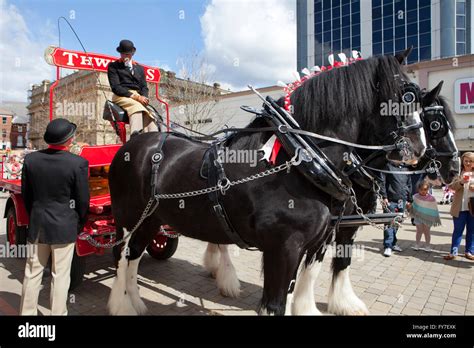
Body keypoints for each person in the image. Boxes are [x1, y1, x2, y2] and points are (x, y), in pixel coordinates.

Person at [20, 118, 90, 315]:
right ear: (69, 140)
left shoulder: (31, 160)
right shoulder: (78, 164)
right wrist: (79, 222)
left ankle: (27, 316)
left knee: (32, 273)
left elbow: (27, 196)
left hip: (38, 225)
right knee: (60, 276)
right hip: (64, 226)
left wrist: (35, 216)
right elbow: (83, 201)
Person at [107, 39, 158, 136]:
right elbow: (116, 87)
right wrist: (136, 97)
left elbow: (144, 87)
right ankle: (135, 140)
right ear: (120, 54)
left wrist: (144, 97)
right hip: (122, 95)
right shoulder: (113, 66)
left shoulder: (139, 68)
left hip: (139, 96)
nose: (125, 56)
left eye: (128, 54)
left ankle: (153, 138)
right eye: (123, 54)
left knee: (151, 115)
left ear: (132, 54)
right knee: (137, 108)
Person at [444, 152, 474, 261]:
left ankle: (469, 251)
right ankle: (454, 251)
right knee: (458, 230)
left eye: (470, 161)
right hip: (460, 207)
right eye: (466, 161)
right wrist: (461, 182)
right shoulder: (458, 173)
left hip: (472, 207)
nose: (468, 163)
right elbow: (452, 186)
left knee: (472, 230)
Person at [380, 162, 412, 257]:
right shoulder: (388, 166)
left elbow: (409, 184)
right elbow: (382, 181)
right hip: (390, 200)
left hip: (402, 200)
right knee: (389, 222)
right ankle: (388, 246)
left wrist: (409, 199)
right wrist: (384, 196)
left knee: (397, 222)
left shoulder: (406, 169)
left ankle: (393, 243)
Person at [406, 181, 441, 252]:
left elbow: (434, 210)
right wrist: (409, 207)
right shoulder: (415, 197)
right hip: (418, 217)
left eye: (425, 189)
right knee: (419, 231)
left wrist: (433, 218)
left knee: (427, 232)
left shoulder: (431, 198)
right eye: (421, 189)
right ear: (418, 189)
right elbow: (411, 207)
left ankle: (427, 245)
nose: (423, 191)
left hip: (428, 218)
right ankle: (417, 244)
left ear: (428, 189)